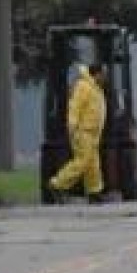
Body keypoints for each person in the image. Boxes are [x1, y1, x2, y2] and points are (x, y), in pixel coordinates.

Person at [47, 63, 107, 203]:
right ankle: (57, 184)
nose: (105, 77)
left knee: (93, 164)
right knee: (82, 161)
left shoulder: (95, 88)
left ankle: (94, 191)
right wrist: (72, 126)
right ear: (96, 73)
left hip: (92, 133)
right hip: (82, 131)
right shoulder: (83, 86)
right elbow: (75, 106)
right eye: (103, 74)